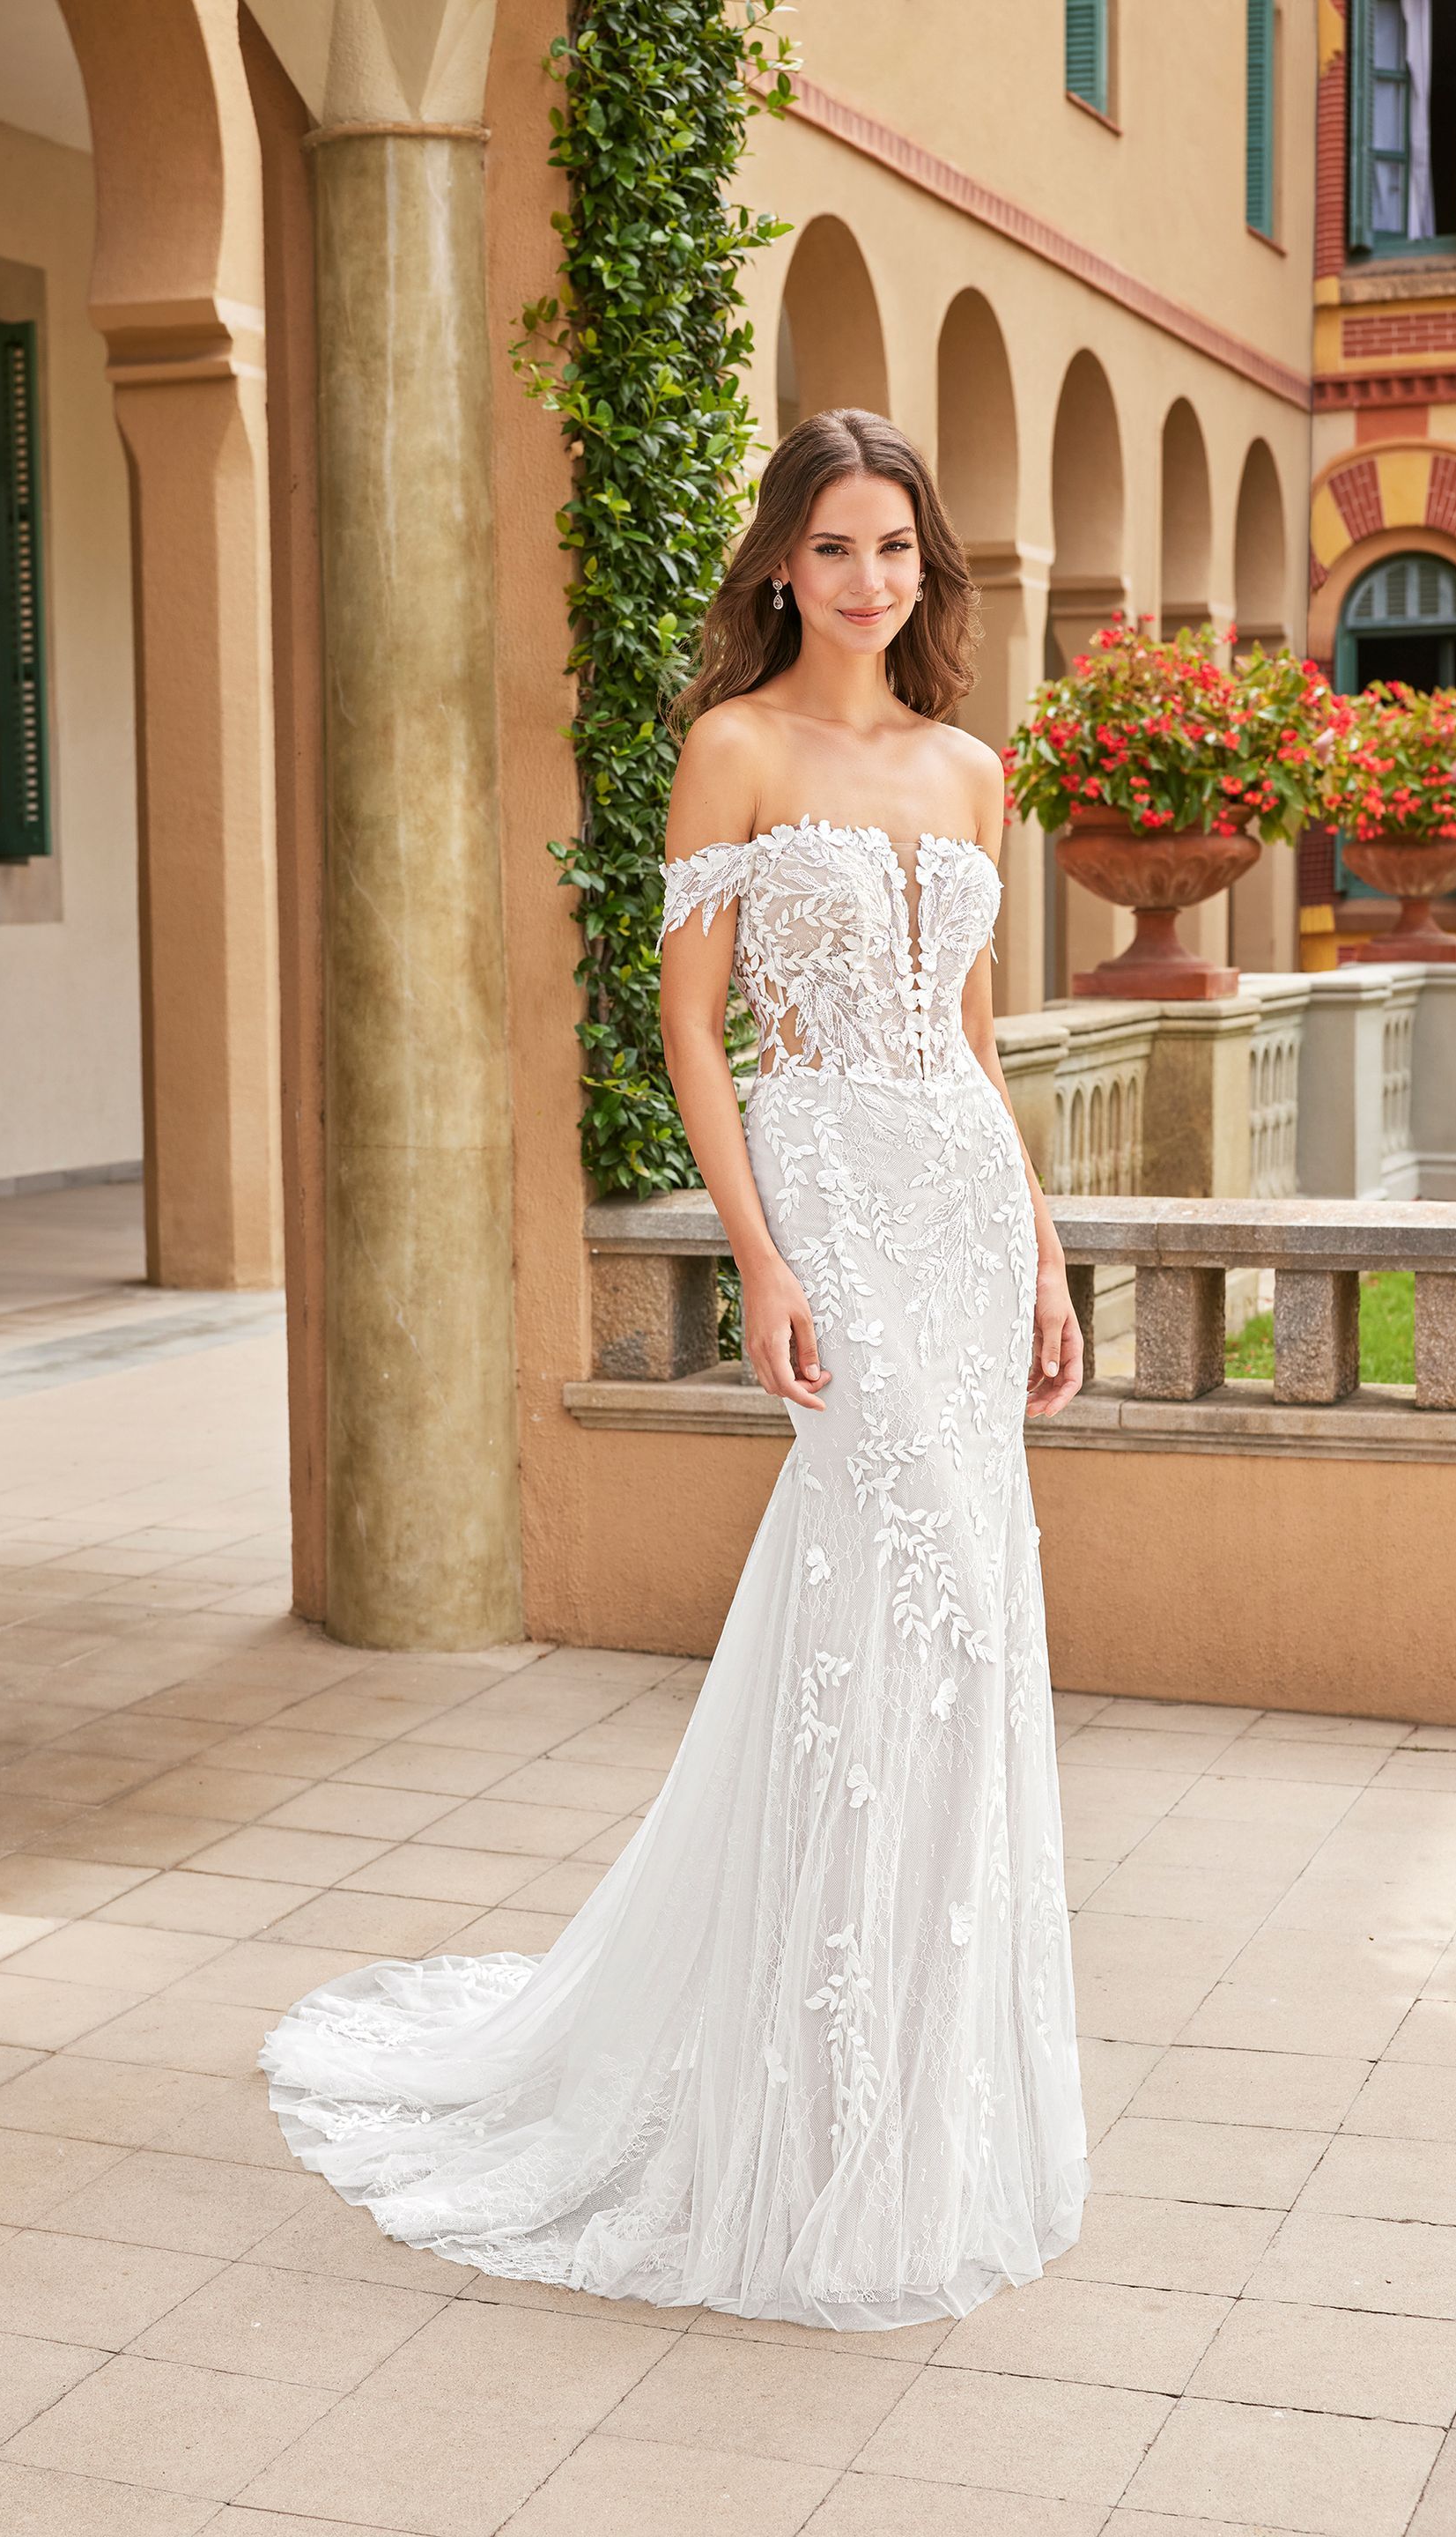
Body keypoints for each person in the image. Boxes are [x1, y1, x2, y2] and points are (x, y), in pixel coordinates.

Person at [260, 406, 1090, 2331]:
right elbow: (694, 1033)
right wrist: (767, 1253)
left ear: (923, 567)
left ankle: (898, 2061)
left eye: (897, 546)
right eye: (835, 546)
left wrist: (1043, 1253)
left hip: (958, 1209)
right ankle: (794, 2072)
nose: (868, 578)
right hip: (825, 1197)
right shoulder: (732, 749)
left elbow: (975, 1040)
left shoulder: (974, 769)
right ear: (782, 567)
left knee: (956, 1627)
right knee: (899, 1580)